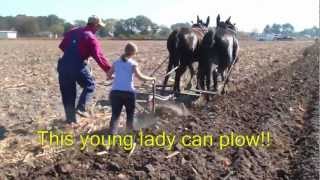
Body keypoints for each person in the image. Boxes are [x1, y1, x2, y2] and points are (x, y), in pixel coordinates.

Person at [57, 15, 112, 125]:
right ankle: (81, 108)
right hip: (77, 66)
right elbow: (99, 56)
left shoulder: (73, 31)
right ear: (95, 25)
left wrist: (79, 54)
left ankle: (70, 121)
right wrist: (109, 70)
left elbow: (62, 46)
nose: (99, 29)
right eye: (99, 26)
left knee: (68, 94)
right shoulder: (91, 37)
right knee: (90, 85)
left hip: (63, 66)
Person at [107, 42, 155, 134]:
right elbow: (140, 77)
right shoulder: (133, 63)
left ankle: (112, 134)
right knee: (130, 115)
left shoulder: (116, 62)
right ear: (133, 53)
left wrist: (117, 77)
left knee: (115, 115)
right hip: (129, 93)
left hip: (115, 92)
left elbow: (108, 75)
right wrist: (152, 78)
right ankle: (128, 133)